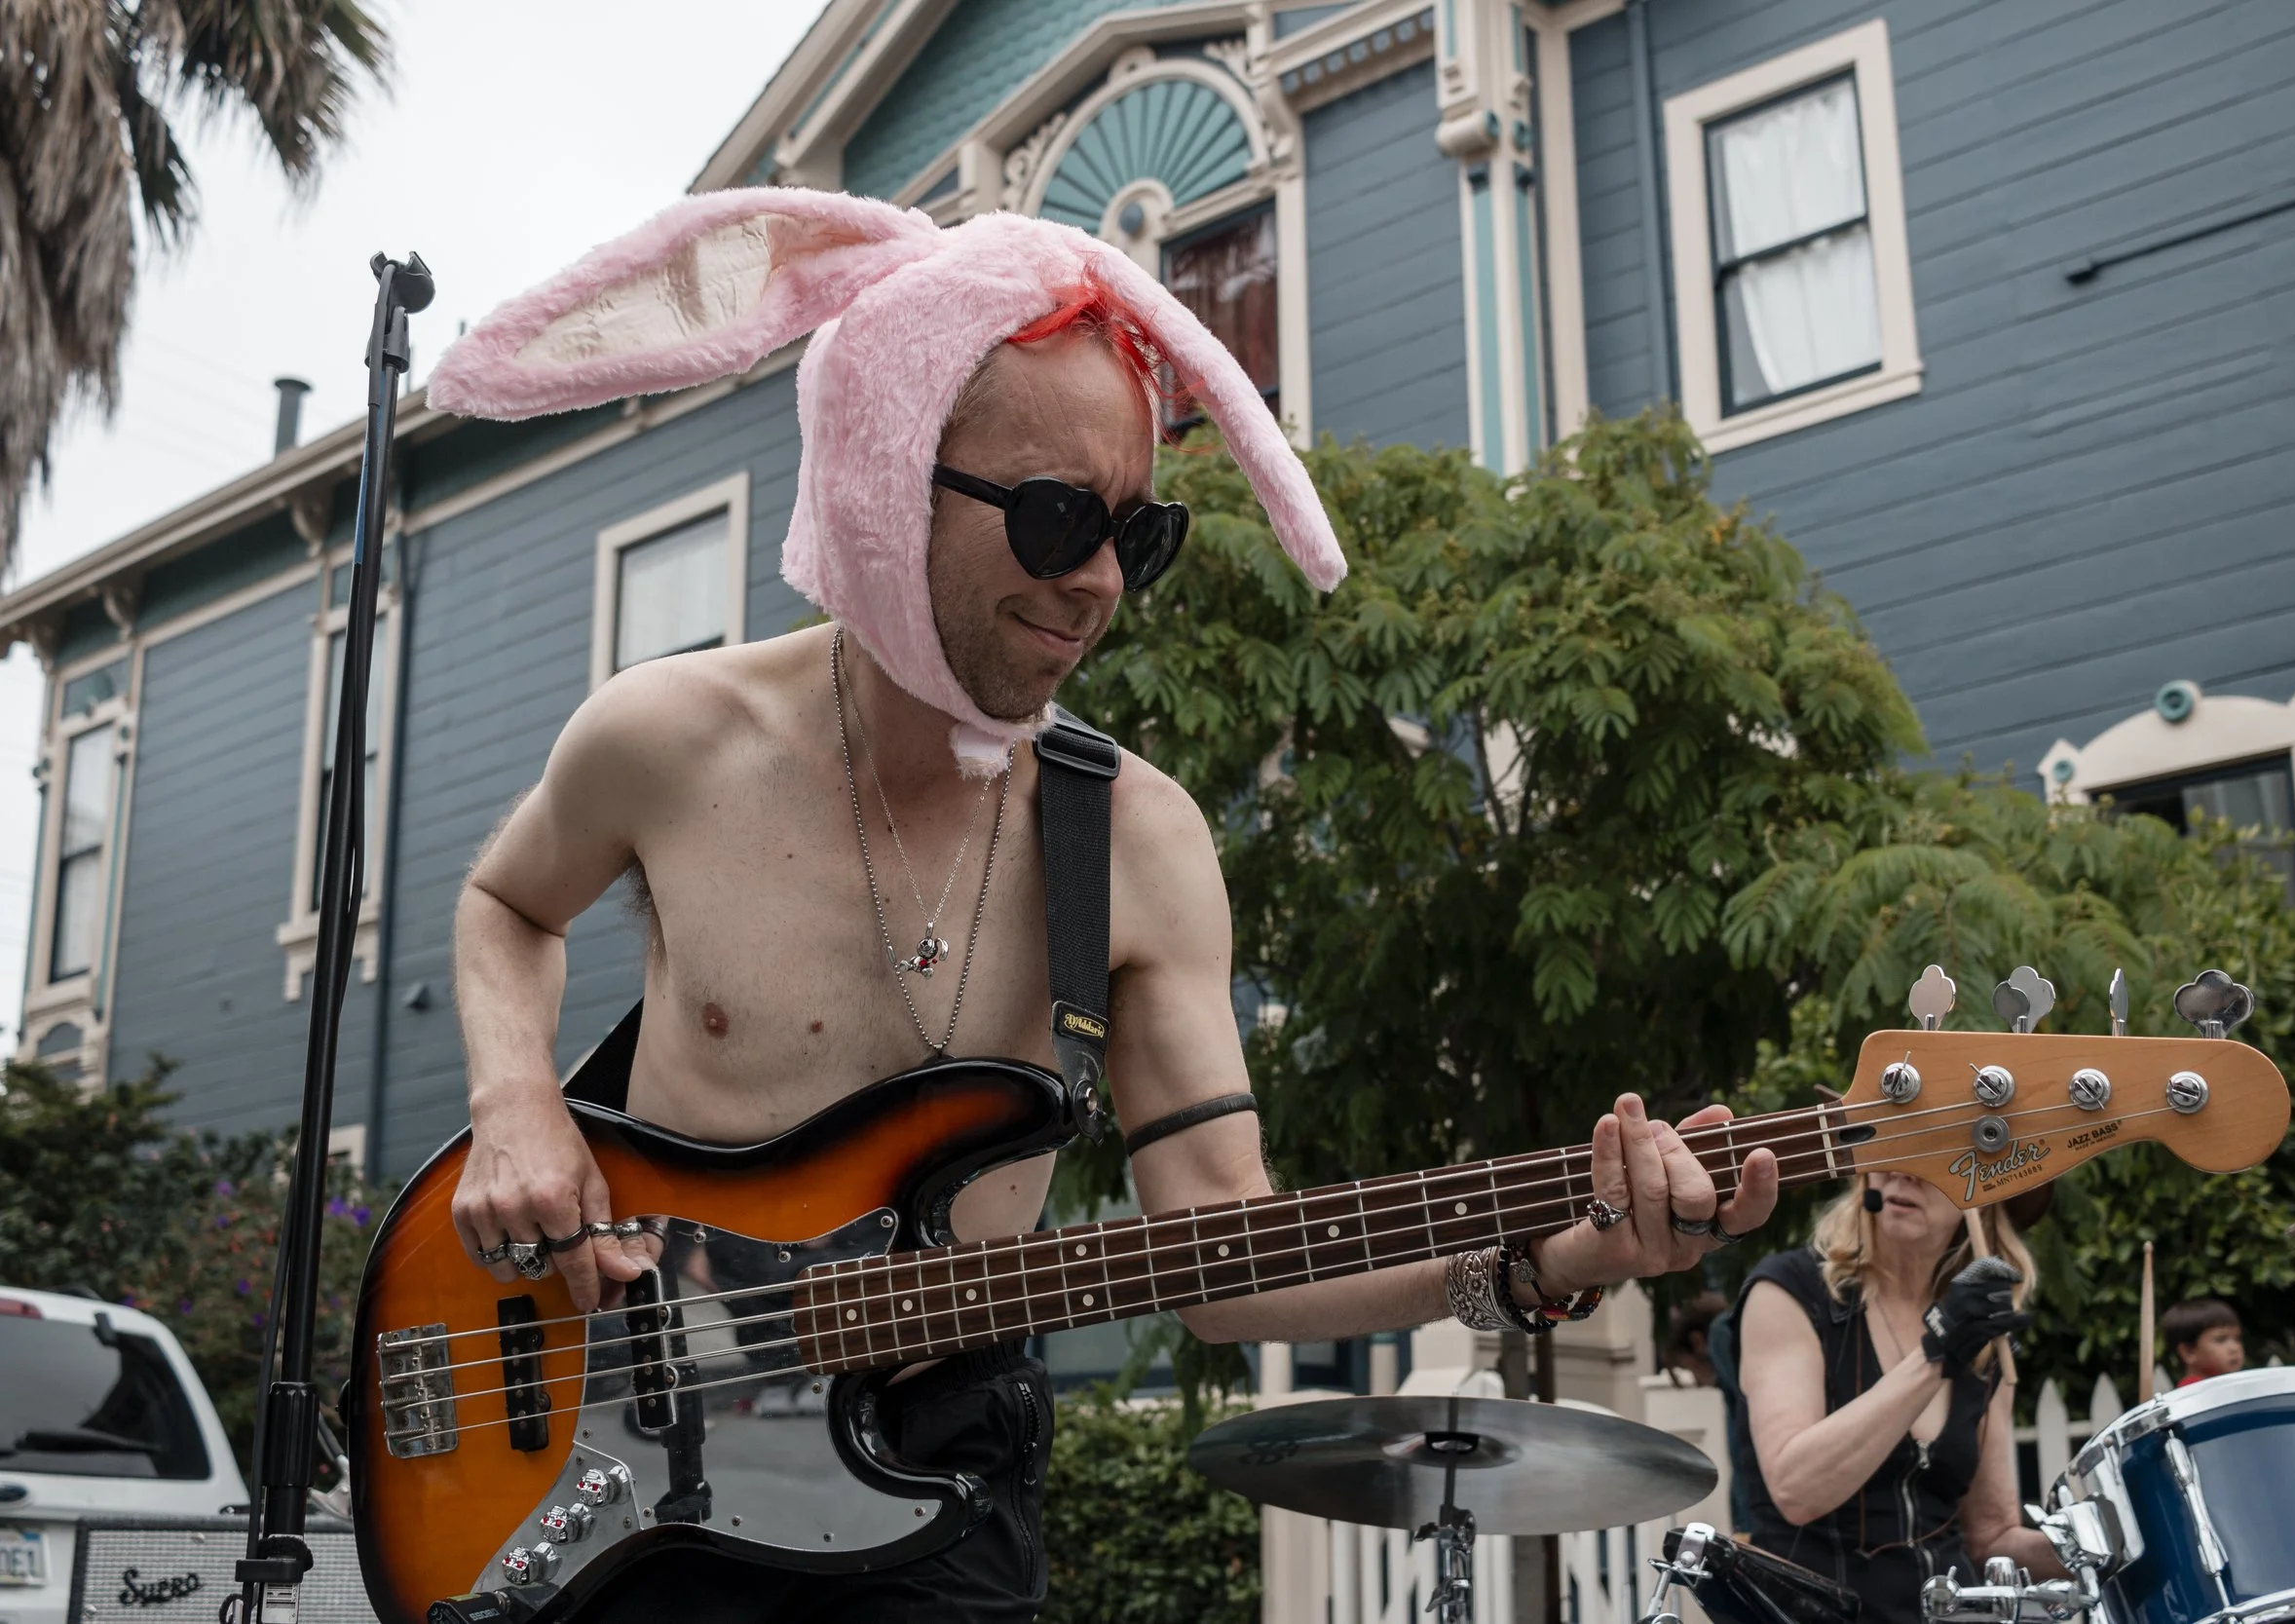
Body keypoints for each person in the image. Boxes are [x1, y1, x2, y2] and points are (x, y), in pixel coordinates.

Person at [424, 191, 1781, 1623]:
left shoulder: (1138, 838)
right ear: (892, 469)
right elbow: (507, 899)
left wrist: (1550, 1256)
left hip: (932, 1478)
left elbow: (1225, 1257)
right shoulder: (665, 735)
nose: (1094, 584)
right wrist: (517, 1098)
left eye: (1138, 533)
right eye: (1056, 516)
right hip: (617, 1449)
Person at [1729, 1174, 2057, 1623]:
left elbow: (1991, 1536)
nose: (1904, 1173)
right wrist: (1935, 1354)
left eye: (1933, 1162)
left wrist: (2087, 1549)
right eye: (1893, 1152)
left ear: (1983, 1196)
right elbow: (1795, 1487)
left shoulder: (1980, 1329)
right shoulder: (1790, 1290)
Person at [2162, 1298, 2245, 1385]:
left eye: (2237, 1339)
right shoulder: (2193, 1391)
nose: (2235, 1348)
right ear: (2189, 1352)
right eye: (2221, 1340)